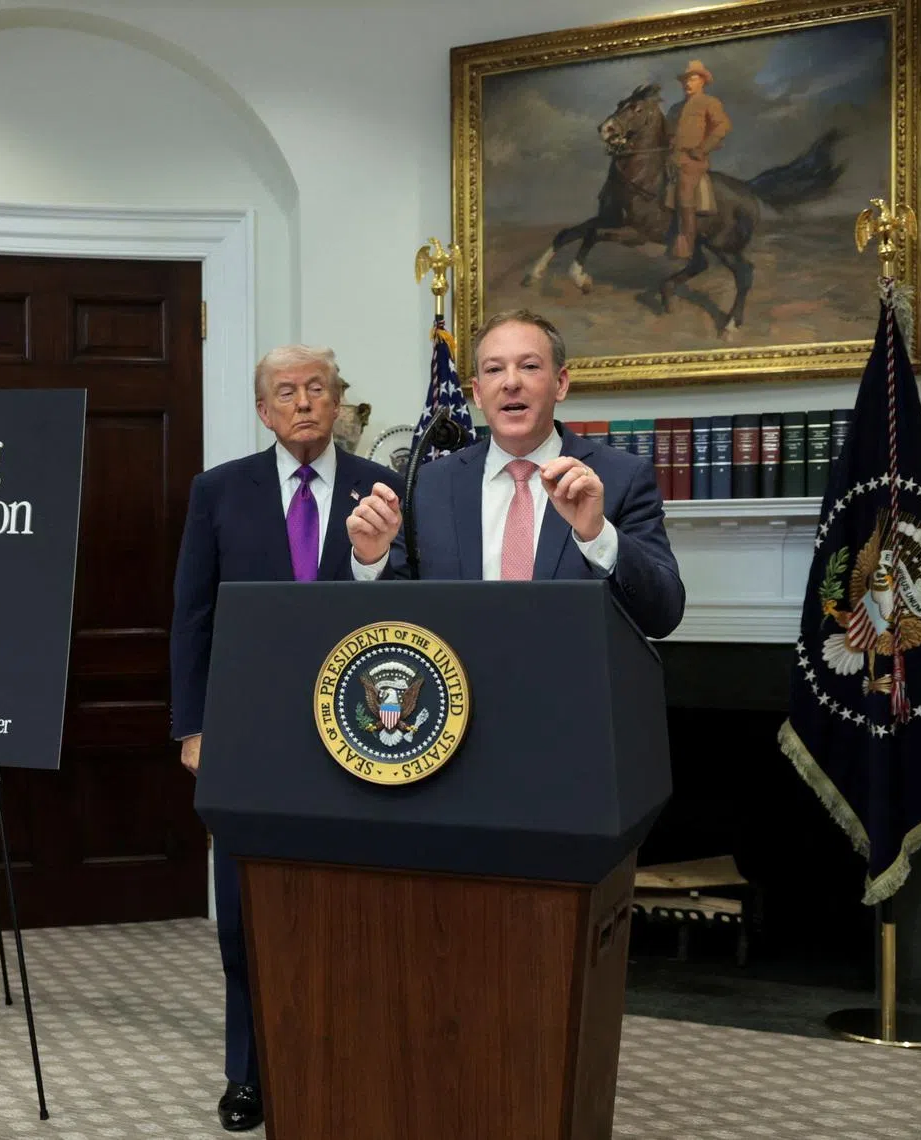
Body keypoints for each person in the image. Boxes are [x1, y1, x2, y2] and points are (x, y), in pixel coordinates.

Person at [170, 345, 405, 1132]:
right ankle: (249, 1072)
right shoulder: (218, 492)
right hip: (247, 736)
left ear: (339, 402)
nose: (303, 403)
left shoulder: (389, 490)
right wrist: (193, 725)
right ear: (264, 412)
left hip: (367, 729)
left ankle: (351, 1059)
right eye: (285, 392)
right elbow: (192, 617)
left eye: (317, 388)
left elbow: (417, 604)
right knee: (246, 912)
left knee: (352, 907)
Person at [346, 310, 684, 639]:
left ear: (560, 383)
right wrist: (373, 560)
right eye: (494, 369)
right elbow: (398, 616)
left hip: (574, 692)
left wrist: (598, 534)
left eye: (530, 366)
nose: (511, 383)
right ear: (478, 393)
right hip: (462, 690)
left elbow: (663, 615)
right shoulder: (430, 485)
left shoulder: (619, 477)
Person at [668, 59, 731, 260]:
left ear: (702, 81)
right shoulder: (675, 108)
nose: (687, 83)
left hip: (692, 160)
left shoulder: (709, 103)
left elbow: (722, 127)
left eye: (692, 79)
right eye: (685, 80)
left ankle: (686, 242)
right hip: (671, 158)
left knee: (685, 190)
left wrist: (703, 149)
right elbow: (667, 133)